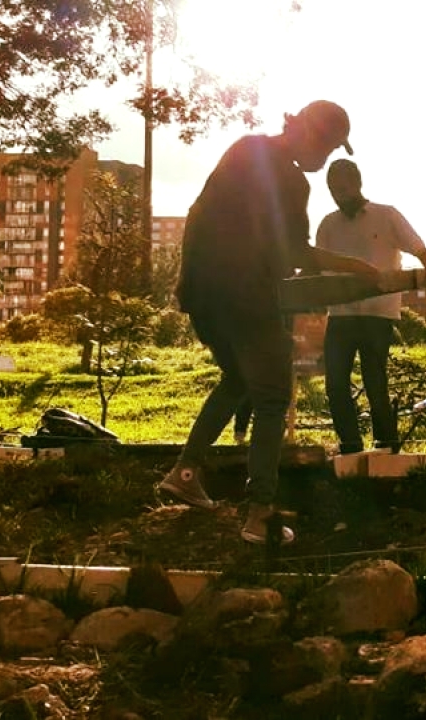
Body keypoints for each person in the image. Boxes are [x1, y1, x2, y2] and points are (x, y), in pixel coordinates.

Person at [157, 100, 381, 545]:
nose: (328, 158)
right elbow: (294, 255)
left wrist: (190, 284)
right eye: (331, 146)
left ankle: (185, 471)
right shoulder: (292, 180)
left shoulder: (245, 149)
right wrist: (356, 268)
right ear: (311, 133)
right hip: (245, 295)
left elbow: (199, 216)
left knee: (238, 378)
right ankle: (260, 513)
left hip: (202, 295)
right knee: (274, 395)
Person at [315, 159, 426, 455]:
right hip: (340, 315)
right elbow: (317, 267)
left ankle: (386, 447)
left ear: (357, 184)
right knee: (335, 384)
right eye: (333, 191)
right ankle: (351, 447)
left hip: (377, 315)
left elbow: (420, 250)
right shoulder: (328, 224)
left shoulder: (386, 216)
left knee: (374, 382)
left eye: (343, 189)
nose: (339, 196)